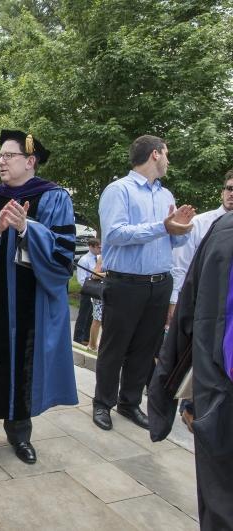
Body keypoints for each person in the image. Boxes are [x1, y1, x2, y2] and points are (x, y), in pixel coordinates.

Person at [0, 130, 78, 465]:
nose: (0, 161)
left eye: (8, 156)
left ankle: (20, 434)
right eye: (0, 156)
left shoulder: (54, 198)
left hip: (31, 302)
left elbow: (64, 252)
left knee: (25, 364)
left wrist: (26, 229)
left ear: (30, 161)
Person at [92, 135, 195, 432]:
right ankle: (103, 403)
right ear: (154, 154)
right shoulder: (118, 190)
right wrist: (162, 226)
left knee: (144, 347)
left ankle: (129, 402)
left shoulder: (166, 196)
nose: (168, 160)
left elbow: (175, 240)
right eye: (167, 153)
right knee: (115, 346)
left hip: (159, 283)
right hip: (125, 283)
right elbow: (116, 234)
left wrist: (182, 227)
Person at [148, 210, 233, 530]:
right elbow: (192, 311)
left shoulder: (223, 229)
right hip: (221, 387)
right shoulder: (223, 230)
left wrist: (166, 395)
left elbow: (189, 313)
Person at [168, 170, 233, 431]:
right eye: (229, 188)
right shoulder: (205, 223)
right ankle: (191, 412)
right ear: (222, 191)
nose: (232, 194)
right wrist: (175, 304)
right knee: (197, 366)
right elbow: (182, 267)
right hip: (203, 312)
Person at [74, 238, 101, 346]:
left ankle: (86, 337)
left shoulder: (98, 258)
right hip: (87, 290)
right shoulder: (84, 260)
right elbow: (81, 278)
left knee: (92, 315)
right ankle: (77, 338)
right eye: (98, 247)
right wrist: (89, 287)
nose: (100, 249)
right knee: (83, 315)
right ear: (91, 246)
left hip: (96, 291)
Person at [88, 254, 106, 352]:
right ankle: (92, 345)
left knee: (108, 322)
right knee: (97, 320)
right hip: (101, 293)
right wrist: (107, 274)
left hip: (114, 293)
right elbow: (94, 275)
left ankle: (103, 346)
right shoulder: (103, 257)